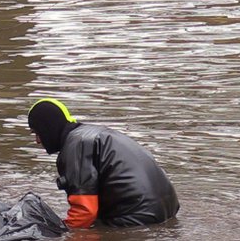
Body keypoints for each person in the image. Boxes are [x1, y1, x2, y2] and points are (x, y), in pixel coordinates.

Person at [26, 98, 180, 229]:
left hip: (138, 218)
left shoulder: (75, 146)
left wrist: (60, 237)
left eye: (37, 133)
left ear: (48, 127)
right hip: (169, 209)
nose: (37, 141)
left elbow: (84, 212)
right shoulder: (93, 133)